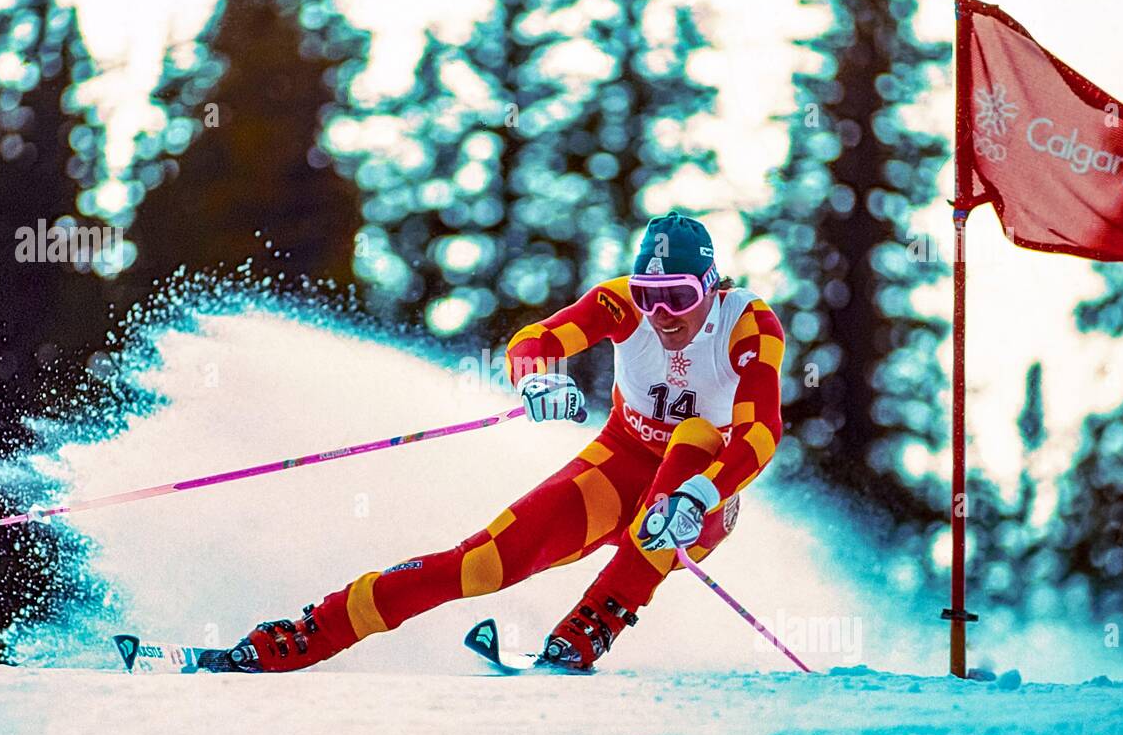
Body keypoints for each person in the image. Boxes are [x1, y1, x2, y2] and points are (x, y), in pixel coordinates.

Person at [227, 211, 786, 672]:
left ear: (711, 287)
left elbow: (761, 432)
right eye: (649, 294)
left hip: (702, 495)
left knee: (692, 437)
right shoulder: (620, 305)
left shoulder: (748, 325)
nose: (661, 313)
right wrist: (538, 376)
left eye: (678, 296)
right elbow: (537, 339)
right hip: (618, 469)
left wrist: (699, 496)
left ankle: (595, 623)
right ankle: (307, 634)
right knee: (482, 564)